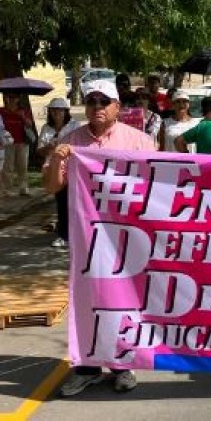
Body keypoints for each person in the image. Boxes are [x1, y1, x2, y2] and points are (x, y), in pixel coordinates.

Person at [42, 79, 155, 396]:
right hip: (86, 240)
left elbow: (158, 186)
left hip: (126, 238)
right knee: (87, 301)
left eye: (104, 101)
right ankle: (88, 368)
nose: (97, 107)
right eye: (91, 101)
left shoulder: (139, 141)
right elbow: (51, 187)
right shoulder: (71, 140)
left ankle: (122, 366)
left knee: (122, 301)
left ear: (117, 107)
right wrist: (59, 160)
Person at [36, 98, 82, 248]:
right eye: (54, 110)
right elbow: (39, 150)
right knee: (61, 201)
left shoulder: (74, 126)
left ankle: (76, 232)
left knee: (75, 202)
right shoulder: (46, 129)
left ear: (65, 112)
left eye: (60, 110)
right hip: (54, 169)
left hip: (72, 167)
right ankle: (63, 235)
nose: (57, 113)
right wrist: (48, 147)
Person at [0, 92, 35, 196]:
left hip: (22, 142)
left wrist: (23, 117)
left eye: (14, 97)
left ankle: (23, 187)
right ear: (6, 98)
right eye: (9, 97)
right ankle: (6, 188)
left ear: (18, 99)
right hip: (7, 143)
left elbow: (30, 125)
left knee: (22, 166)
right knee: (8, 166)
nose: (11, 99)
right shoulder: (2, 111)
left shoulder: (24, 110)